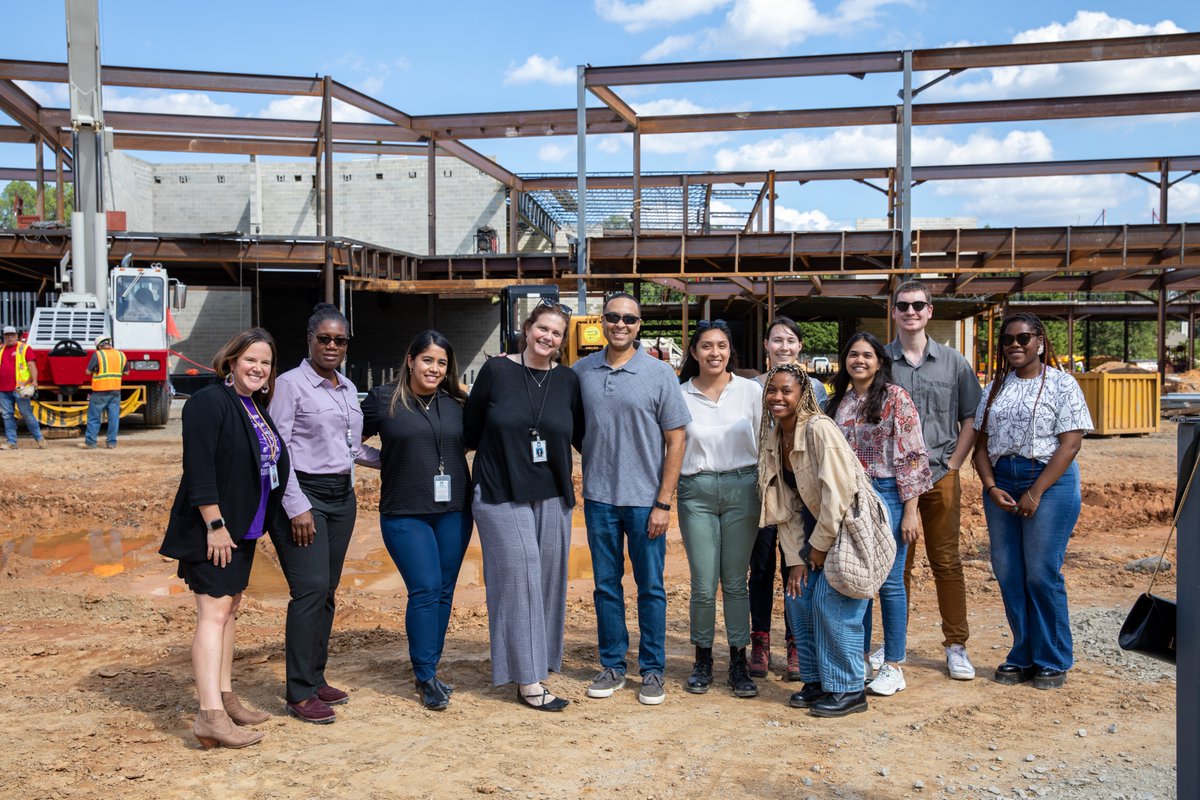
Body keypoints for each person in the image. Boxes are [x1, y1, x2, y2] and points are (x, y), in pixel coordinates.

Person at [159, 328, 288, 749]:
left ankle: (225, 697)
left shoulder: (251, 404)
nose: (258, 368)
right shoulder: (208, 402)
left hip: (242, 529)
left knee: (229, 610)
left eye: (265, 362)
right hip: (213, 530)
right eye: (251, 359)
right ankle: (209, 716)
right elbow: (199, 468)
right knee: (213, 615)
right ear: (231, 360)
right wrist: (214, 525)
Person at [464, 302, 583, 711]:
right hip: (499, 490)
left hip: (552, 493)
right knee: (520, 576)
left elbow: (580, 435)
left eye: (556, 333)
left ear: (561, 341)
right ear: (527, 328)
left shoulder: (568, 381)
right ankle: (528, 680)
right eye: (542, 328)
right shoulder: (496, 371)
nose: (547, 337)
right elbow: (471, 429)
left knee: (549, 579)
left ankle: (541, 660)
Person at [574, 292, 690, 706]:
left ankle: (653, 670)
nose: (620, 324)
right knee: (606, 586)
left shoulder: (659, 374)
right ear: (602, 322)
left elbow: (676, 440)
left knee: (651, 587)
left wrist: (663, 502)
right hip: (600, 499)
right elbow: (573, 428)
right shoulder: (581, 371)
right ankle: (612, 665)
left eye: (629, 318)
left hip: (645, 502)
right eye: (612, 317)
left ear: (639, 325)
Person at [268, 304, 380, 724]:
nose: (332, 346)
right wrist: (296, 507)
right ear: (309, 339)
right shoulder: (289, 385)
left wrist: (401, 459)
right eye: (325, 339)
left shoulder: (348, 389)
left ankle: (315, 678)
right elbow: (277, 452)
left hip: (341, 497)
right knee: (310, 589)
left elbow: (351, 449)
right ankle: (298, 692)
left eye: (340, 340)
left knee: (328, 591)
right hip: (304, 497)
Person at [973, 313, 1092, 690]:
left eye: (1023, 338)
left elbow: (1070, 444)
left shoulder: (1062, 384)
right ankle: (1022, 653)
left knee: (1041, 572)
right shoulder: (994, 387)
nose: (1015, 345)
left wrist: (1036, 491)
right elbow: (980, 446)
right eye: (1008, 339)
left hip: (1048, 481)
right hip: (1001, 483)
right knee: (1008, 571)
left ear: (1039, 340)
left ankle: (1052, 657)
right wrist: (991, 487)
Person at [361, 330, 472, 711]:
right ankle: (424, 674)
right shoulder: (382, 400)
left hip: (454, 511)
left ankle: (431, 668)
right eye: (427, 360)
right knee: (425, 588)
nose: (435, 368)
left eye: (442, 363)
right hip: (405, 511)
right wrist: (380, 459)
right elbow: (345, 440)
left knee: (443, 591)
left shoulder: (456, 402)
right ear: (410, 360)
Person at [758, 363, 872, 717]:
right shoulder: (775, 434)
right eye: (772, 390)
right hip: (809, 535)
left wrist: (818, 550)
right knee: (799, 598)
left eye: (786, 390)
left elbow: (838, 496)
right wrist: (795, 558)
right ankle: (817, 680)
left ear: (802, 394)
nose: (777, 396)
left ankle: (850, 688)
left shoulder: (819, 429)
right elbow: (784, 504)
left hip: (845, 530)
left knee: (829, 601)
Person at [884, 280, 982, 681]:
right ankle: (893, 645)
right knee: (895, 564)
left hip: (940, 473)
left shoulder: (954, 362)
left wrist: (956, 463)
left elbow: (971, 417)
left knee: (946, 561)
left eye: (918, 305)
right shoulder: (880, 360)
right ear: (893, 312)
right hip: (892, 480)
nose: (911, 312)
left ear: (930, 312)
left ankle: (956, 645)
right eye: (903, 306)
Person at [825, 332, 931, 697]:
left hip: (887, 496)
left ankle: (894, 664)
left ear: (879, 361)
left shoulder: (895, 399)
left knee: (889, 581)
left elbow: (912, 456)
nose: (859, 361)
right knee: (858, 578)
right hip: (848, 499)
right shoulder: (837, 401)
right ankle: (862, 656)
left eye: (867, 355)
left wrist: (911, 511)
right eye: (853, 354)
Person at [676, 320, 763, 698]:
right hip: (696, 490)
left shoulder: (750, 392)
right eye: (707, 346)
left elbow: (767, 441)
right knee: (702, 582)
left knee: (734, 580)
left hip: (744, 487)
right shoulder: (678, 394)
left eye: (722, 346)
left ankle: (739, 660)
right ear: (693, 352)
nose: (715, 353)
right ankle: (703, 658)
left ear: (731, 351)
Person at [749, 316, 829, 680]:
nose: (784, 346)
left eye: (791, 340)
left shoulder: (815, 389)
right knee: (761, 567)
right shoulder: (751, 388)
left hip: (801, 493)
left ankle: (797, 642)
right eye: (777, 340)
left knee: (795, 567)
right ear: (766, 346)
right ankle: (760, 641)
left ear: (800, 347)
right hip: (764, 491)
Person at [0, 325, 46, 451]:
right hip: (3, 389)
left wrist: (35, 381)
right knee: (7, 416)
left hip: (20, 388)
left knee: (26, 414)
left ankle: (39, 438)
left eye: (12, 335)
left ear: (16, 335)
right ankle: (11, 442)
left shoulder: (24, 348)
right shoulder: (1, 349)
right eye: (7, 335)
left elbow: (32, 365)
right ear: (4, 337)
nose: (9, 337)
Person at [78, 337, 128, 450]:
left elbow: (87, 372)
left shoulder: (98, 355)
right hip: (115, 390)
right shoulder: (121, 355)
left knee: (94, 417)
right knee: (114, 418)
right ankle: (111, 443)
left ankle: (91, 442)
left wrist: (96, 370)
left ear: (99, 346)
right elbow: (127, 372)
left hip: (100, 391)